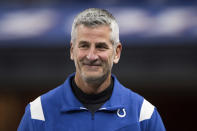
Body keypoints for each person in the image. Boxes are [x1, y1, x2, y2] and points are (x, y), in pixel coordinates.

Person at [18, 8, 165, 131]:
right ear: (72, 50)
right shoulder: (39, 112)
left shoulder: (142, 114)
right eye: (84, 45)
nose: (91, 56)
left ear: (117, 52)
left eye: (101, 46)